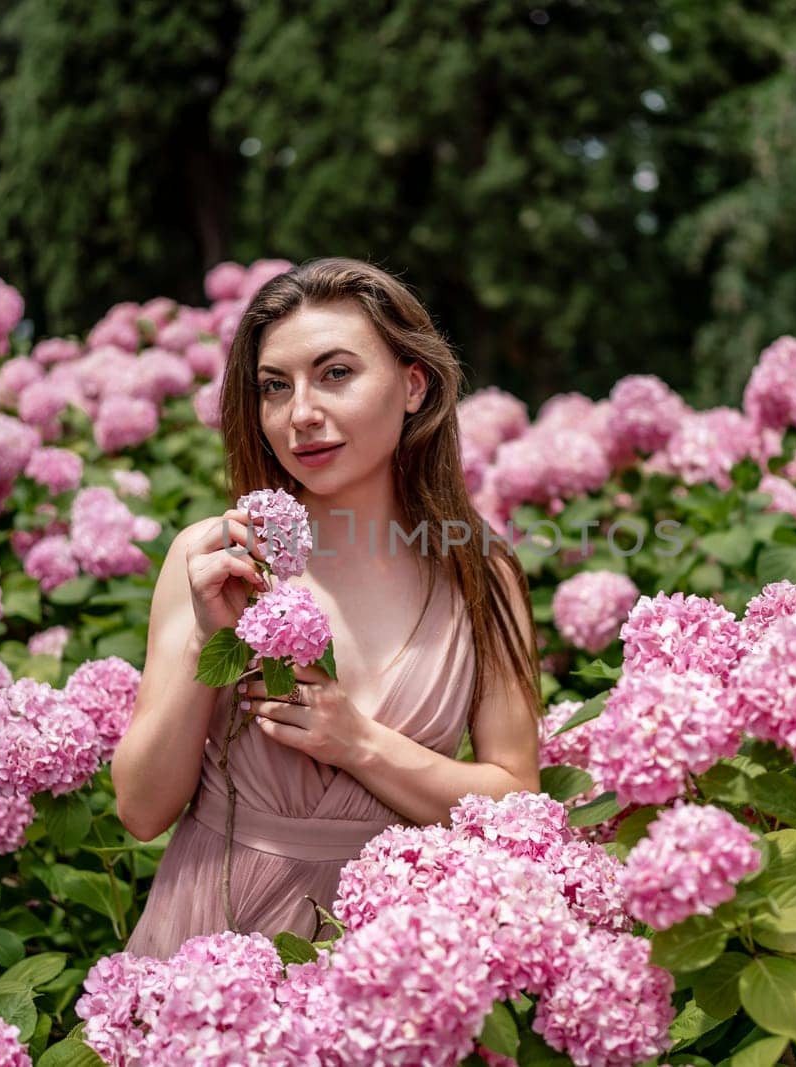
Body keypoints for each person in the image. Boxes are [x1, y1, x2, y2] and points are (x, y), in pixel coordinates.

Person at [115, 256, 543, 954]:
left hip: (384, 963)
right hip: (205, 946)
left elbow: (516, 799)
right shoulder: (217, 557)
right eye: (275, 387)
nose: (301, 414)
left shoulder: (481, 574)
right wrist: (205, 642)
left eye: (336, 373)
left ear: (413, 385)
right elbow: (140, 810)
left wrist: (360, 743)